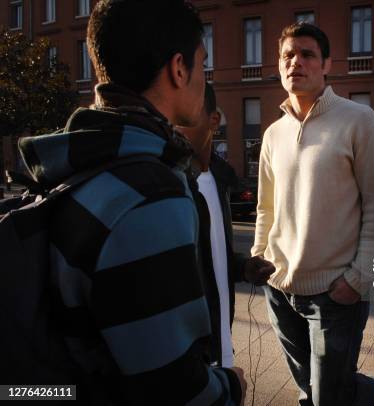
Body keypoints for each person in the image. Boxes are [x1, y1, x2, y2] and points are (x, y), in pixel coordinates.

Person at [16, 1, 245, 404]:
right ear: (178, 69)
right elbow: (176, 391)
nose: (203, 78)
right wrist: (232, 387)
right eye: (201, 64)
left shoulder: (82, 160)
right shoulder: (149, 196)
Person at [252, 22, 374, 406]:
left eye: (307, 54)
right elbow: (266, 206)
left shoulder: (358, 120)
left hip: (336, 294)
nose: (295, 62)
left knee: (329, 395)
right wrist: (259, 256)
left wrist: (359, 278)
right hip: (280, 290)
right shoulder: (273, 133)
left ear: (327, 64)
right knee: (309, 390)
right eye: (287, 56)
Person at [179, 83, 274, 368]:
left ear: (214, 121)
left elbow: (212, 259)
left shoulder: (219, 180)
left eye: (185, 118)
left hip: (222, 345)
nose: (174, 128)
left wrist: (243, 267)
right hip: (194, 358)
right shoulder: (175, 183)